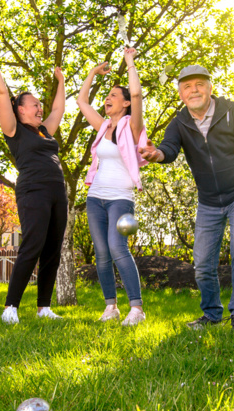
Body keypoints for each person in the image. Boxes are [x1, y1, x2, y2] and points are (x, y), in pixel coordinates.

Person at [139, 65, 234, 333]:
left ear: (209, 87)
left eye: (199, 84)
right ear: (181, 94)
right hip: (208, 201)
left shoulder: (232, 112)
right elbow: (169, 149)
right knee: (203, 264)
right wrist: (155, 153)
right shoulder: (179, 122)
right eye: (187, 86)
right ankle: (212, 313)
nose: (193, 90)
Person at [0, 35, 68, 324]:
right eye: (34, 105)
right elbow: (1, 94)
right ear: (20, 110)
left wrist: (61, 80)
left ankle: (44, 307)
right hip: (34, 191)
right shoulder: (14, 129)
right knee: (33, 245)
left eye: (40, 105)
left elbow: (59, 110)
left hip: (58, 192)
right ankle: (10, 308)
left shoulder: (45, 130)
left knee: (53, 249)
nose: (40, 108)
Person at [77, 48, 148, 326]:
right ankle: (111, 307)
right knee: (102, 253)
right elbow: (82, 101)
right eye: (107, 96)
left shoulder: (132, 126)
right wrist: (94, 72)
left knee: (118, 247)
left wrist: (129, 62)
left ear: (126, 104)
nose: (108, 98)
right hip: (95, 197)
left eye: (114, 95)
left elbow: (139, 95)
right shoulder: (102, 126)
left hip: (121, 197)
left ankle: (137, 309)